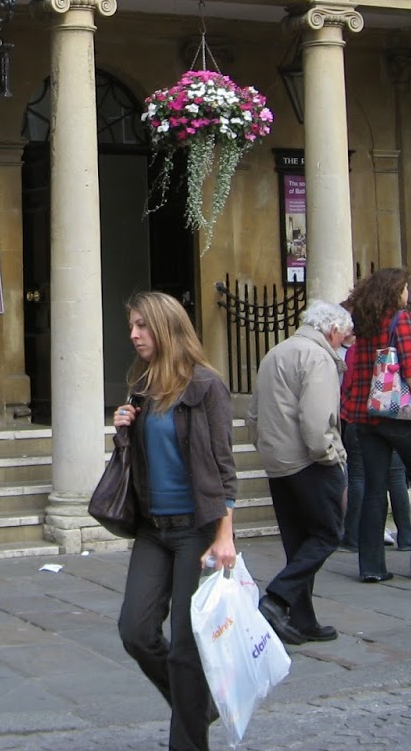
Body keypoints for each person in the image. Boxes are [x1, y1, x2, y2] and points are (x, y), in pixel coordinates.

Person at [113, 291, 238, 751]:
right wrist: (124, 429)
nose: (134, 334)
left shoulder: (206, 385)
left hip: (195, 529)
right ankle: (197, 705)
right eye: (132, 326)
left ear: (165, 327)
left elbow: (225, 468)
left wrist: (225, 535)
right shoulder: (143, 387)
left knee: (186, 648)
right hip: (152, 528)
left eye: (142, 325)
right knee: (136, 631)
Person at [339, 267, 411, 583]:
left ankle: (372, 566)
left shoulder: (362, 321)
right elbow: (410, 370)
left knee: (374, 490)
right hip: (398, 415)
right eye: (406, 288)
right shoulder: (400, 319)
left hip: (365, 417)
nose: (409, 294)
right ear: (396, 291)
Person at [248, 300, 351, 645]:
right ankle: (276, 599)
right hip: (310, 462)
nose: (344, 343)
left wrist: (265, 449)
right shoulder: (318, 357)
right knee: (327, 534)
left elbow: (253, 413)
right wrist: (331, 456)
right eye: (345, 336)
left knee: (298, 543)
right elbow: (317, 419)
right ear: (332, 330)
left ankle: (303, 620)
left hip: (277, 463)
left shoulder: (275, 353)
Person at [341, 413, 411, 552]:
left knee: (357, 478)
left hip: (360, 419)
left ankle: (352, 537)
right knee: (396, 479)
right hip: (393, 419)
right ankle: (406, 538)